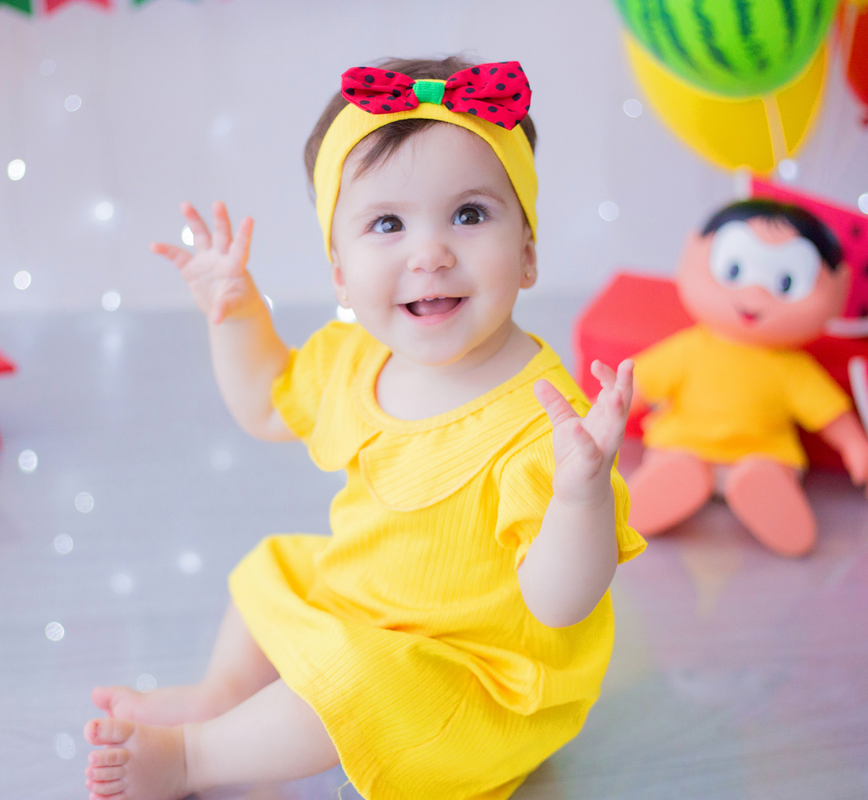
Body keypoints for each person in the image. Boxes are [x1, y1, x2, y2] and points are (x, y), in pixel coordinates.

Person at [81, 56, 645, 800]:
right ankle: (223, 695)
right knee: (275, 564)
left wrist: (579, 496)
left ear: (529, 252)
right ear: (341, 273)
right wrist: (237, 312)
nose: (430, 252)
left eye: (469, 214)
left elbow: (559, 603)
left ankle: (195, 757)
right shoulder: (356, 361)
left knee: (354, 677)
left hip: (471, 681)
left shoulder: (541, 421)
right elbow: (262, 402)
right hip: (367, 608)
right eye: (387, 224)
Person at [627, 199, 868, 557]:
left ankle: (765, 492)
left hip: (764, 455)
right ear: (691, 254)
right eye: (733, 270)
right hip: (683, 444)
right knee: (674, 461)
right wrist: (599, 418)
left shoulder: (793, 368)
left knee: (764, 472)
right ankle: (668, 486)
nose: (755, 295)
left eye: (785, 282)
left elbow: (828, 411)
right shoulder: (687, 349)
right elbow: (636, 386)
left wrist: (856, 446)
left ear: (839, 289)